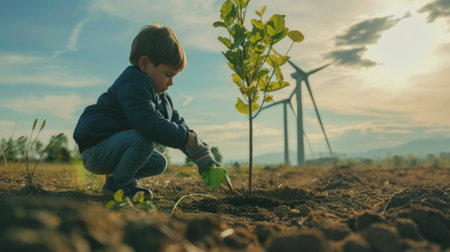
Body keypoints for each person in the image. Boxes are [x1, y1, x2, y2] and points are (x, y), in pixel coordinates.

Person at [73, 24, 226, 199]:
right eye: (168, 74)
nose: (171, 82)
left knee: (158, 162)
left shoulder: (162, 98)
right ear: (145, 64)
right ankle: (118, 186)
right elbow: (148, 124)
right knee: (144, 139)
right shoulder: (133, 84)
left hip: (115, 149)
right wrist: (185, 138)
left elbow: (179, 126)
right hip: (97, 151)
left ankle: (118, 178)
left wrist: (202, 154)